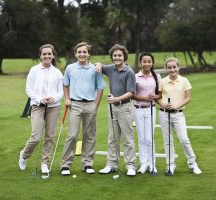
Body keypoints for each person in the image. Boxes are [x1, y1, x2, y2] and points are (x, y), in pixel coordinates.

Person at [60, 42, 105, 176]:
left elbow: (100, 88)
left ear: (88, 54)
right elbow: (65, 84)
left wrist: (95, 105)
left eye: (84, 52)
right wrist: (67, 98)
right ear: (75, 54)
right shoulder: (70, 68)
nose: (82, 54)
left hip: (90, 104)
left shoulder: (95, 69)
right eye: (79, 52)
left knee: (89, 135)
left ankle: (87, 164)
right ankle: (65, 165)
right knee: (72, 135)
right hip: (75, 104)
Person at [18, 44, 64, 174]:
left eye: (49, 54)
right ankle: (24, 155)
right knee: (36, 137)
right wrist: (39, 99)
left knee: (49, 136)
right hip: (37, 106)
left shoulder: (57, 72)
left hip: (53, 107)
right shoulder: (34, 70)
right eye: (44, 54)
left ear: (53, 55)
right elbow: (28, 89)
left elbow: (60, 91)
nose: (47, 56)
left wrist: (53, 98)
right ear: (40, 55)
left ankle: (45, 163)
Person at [96, 44, 137, 176]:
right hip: (113, 108)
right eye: (114, 55)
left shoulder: (129, 72)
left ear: (124, 56)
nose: (117, 57)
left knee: (127, 138)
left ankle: (131, 165)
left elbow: (131, 92)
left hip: (125, 107)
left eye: (119, 55)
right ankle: (111, 164)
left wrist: (116, 99)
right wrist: (97, 65)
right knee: (112, 137)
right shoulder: (110, 69)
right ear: (112, 57)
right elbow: (99, 66)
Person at [157, 57, 202, 175]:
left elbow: (188, 98)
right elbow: (158, 97)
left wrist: (176, 106)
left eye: (174, 67)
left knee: (184, 139)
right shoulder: (162, 81)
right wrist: (164, 104)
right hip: (164, 113)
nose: (172, 70)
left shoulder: (184, 80)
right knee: (168, 141)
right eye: (169, 68)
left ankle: (192, 163)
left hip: (178, 114)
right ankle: (170, 165)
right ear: (166, 69)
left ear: (178, 67)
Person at [132, 52, 162, 174]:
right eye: (144, 61)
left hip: (151, 109)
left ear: (152, 63)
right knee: (141, 138)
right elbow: (132, 95)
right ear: (140, 63)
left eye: (149, 61)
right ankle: (143, 163)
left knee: (149, 138)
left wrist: (155, 96)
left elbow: (160, 94)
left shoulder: (157, 77)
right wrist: (145, 98)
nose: (147, 63)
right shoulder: (135, 76)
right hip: (138, 109)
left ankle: (152, 163)